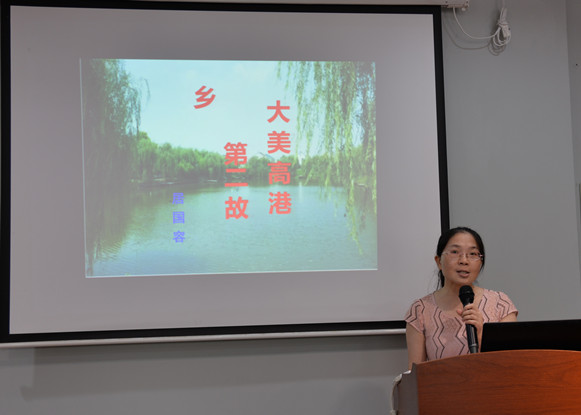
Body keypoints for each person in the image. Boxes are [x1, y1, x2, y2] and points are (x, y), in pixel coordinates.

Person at [404, 227, 518, 369]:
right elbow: (415, 374)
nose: (464, 260)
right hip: (443, 384)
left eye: (473, 254)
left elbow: (510, 365)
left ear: (481, 262)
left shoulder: (500, 304)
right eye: (455, 252)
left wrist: (481, 334)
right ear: (439, 261)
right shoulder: (420, 310)